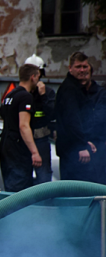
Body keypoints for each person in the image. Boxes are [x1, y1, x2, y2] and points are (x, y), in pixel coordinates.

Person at [55, 52, 100, 183]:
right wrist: (81, 146)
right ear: (70, 68)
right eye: (78, 67)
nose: (82, 70)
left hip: (75, 148)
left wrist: (86, 141)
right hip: (73, 152)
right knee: (76, 190)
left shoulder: (77, 88)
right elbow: (72, 120)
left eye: (85, 67)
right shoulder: (70, 89)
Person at [0, 63, 42, 192]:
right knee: (20, 188)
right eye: (38, 77)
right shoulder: (25, 96)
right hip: (17, 147)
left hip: (6, 144)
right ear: (32, 77)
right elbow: (23, 125)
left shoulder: (10, 95)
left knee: (10, 186)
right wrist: (35, 152)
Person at [24, 55, 56, 185]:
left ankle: (44, 205)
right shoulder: (21, 93)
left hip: (42, 141)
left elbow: (52, 114)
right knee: (23, 178)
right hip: (24, 142)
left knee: (44, 178)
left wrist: (43, 96)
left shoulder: (47, 93)